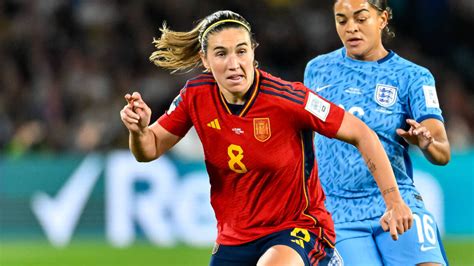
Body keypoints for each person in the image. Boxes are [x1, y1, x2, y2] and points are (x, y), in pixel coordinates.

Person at [120, 10, 412, 266]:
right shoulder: (195, 95)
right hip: (235, 237)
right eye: (221, 53)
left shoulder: (289, 99)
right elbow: (149, 148)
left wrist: (394, 201)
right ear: (205, 60)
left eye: (241, 51)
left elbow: (363, 134)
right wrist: (139, 130)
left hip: (298, 227)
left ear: (253, 52)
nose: (234, 63)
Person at [304, 1, 451, 265]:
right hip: (338, 211)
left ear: (382, 19)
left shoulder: (413, 76)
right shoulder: (317, 70)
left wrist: (426, 142)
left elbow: (442, 152)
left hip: (399, 202)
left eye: (361, 19)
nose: (351, 28)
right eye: (342, 20)